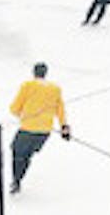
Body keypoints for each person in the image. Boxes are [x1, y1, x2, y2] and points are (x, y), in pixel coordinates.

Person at [7, 62, 70, 193]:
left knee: (17, 153)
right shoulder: (55, 89)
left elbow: (14, 108)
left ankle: (16, 181)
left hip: (28, 128)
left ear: (34, 72)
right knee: (27, 156)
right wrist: (64, 127)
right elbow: (60, 110)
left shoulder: (28, 86)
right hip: (44, 131)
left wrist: (22, 115)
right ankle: (18, 180)